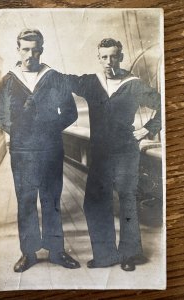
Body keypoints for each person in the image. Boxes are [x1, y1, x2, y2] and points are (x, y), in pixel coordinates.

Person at [65, 38, 161, 271]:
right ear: (99, 59)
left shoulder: (133, 84)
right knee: (95, 202)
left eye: (114, 56)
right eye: (104, 57)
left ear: (121, 56)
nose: (109, 61)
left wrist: (148, 130)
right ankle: (105, 254)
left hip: (126, 152)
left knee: (127, 200)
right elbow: (59, 81)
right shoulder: (91, 83)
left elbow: (166, 102)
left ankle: (130, 255)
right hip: (99, 153)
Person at [0, 28, 80, 272]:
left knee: (51, 200)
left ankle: (56, 252)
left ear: (41, 50)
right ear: (18, 50)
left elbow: (71, 113)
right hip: (22, 152)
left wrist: (50, 129)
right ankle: (28, 253)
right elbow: (0, 115)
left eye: (35, 49)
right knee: (26, 201)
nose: (30, 54)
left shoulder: (55, 78)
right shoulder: (8, 81)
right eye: (25, 49)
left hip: (50, 148)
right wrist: (20, 134)